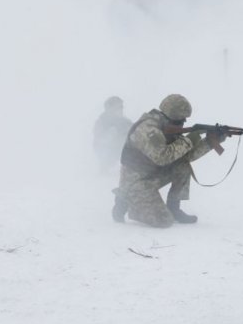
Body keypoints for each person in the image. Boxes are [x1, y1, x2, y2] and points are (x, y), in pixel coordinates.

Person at [111, 94, 224, 228]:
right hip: (136, 182)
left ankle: (174, 208)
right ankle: (124, 198)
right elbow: (162, 157)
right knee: (163, 221)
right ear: (172, 117)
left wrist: (210, 142)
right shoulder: (148, 129)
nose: (183, 123)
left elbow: (185, 155)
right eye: (181, 120)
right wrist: (188, 140)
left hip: (151, 175)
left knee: (183, 165)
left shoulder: (166, 126)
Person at [93, 96, 132, 173]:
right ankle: (105, 165)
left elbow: (134, 131)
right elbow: (98, 139)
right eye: (118, 107)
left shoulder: (125, 121)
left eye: (122, 107)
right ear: (110, 109)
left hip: (124, 150)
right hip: (108, 150)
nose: (121, 109)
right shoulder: (102, 121)